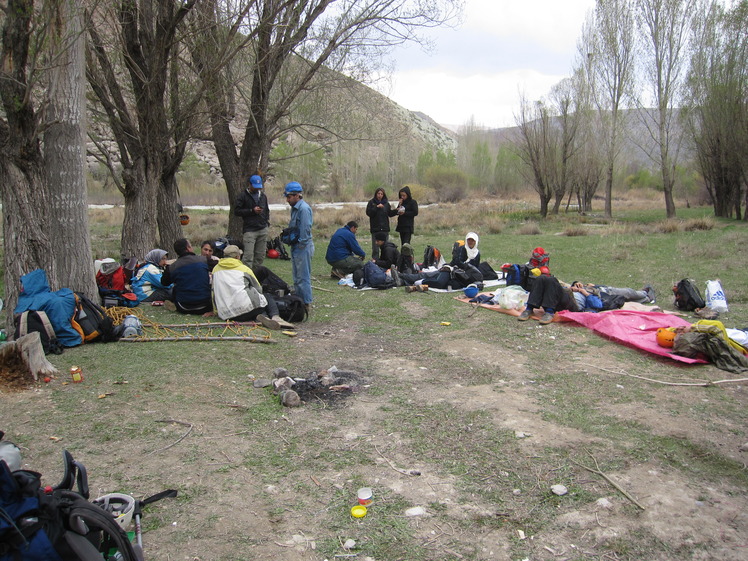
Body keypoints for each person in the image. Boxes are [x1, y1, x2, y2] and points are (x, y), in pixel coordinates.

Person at [211, 245, 294, 329]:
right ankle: (275, 316)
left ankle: (262, 317)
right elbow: (258, 289)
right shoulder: (244, 269)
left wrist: (215, 311)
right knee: (266, 296)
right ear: (237, 257)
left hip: (227, 314)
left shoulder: (215, 270)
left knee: (256, 308)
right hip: (247, 309)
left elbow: (213, 292)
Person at [161, 238, 213, 315]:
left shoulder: (172, 267)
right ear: (188, 248)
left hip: (183, 307)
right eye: (191, 246)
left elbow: (164, 283)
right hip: (205, 306)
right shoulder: (204, 260)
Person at [284, 181, 314, 314]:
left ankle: (306, 303)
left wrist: (300, 245)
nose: (287, 200)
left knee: (303, 277)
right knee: (296, 277)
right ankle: (299, 300)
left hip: (303, 247)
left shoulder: (303, 209)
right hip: (296, 246)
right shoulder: (294, 208)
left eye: (289, 197)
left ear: (297, 195)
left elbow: (305, 230)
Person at [234, 174, 270, 270]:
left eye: (259, 187)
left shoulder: (263, 196)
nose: (257, 189)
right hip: (250, 230)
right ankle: (246, 279)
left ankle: (256, 278)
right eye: (255, 187)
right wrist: (251, 210)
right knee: (248, 257)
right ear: (249, 184)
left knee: (260, 256)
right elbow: (237, 211)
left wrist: (266, 222)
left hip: (262, 229)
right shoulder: (243, 196)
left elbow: (267, 210)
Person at [365, 187, 391, 260]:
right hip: (375, 228)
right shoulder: (371, 202)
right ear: (376, 194)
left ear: (383, 195)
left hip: (385, 228)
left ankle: (385, 261)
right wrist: (376, 207)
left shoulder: (386, 203)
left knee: (386, 247)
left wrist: (397, 210)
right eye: (378, 193)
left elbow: (390, 213)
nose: (380, 195)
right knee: (375, 248)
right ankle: (375, 262)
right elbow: (369, 213)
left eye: (381, 194)